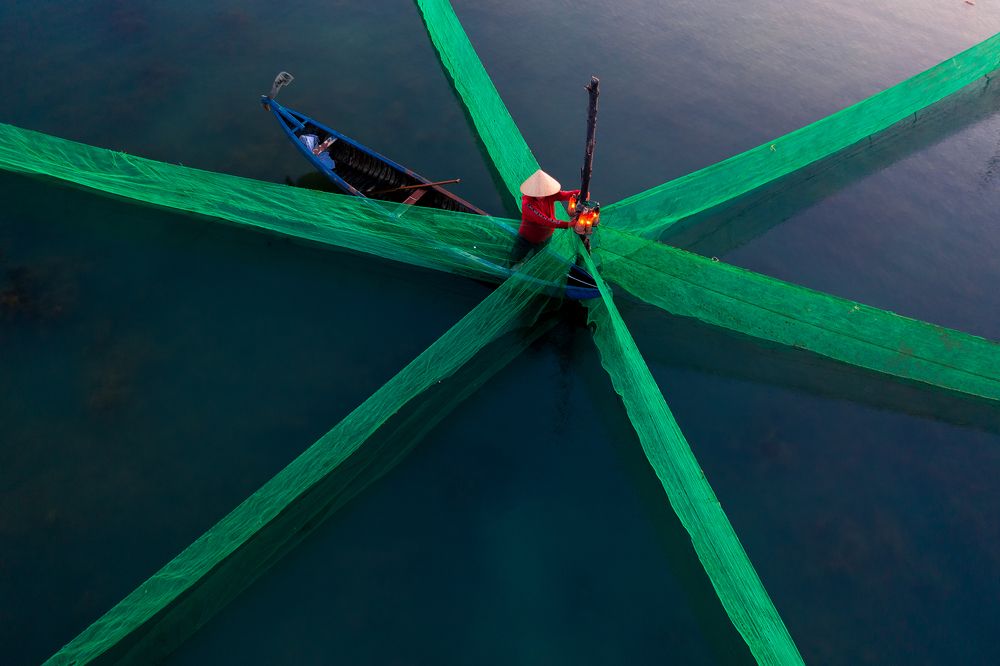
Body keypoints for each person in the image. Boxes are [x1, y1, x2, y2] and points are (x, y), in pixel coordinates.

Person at [511, 169, 580, 267]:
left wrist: (578, 193)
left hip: (545, 238)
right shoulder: (527, 204)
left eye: (543, 192)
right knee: (515, 257)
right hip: (527, 238)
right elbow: (545, 220)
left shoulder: (549, 194)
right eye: (537, 192)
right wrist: (567, 224)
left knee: (537, 260)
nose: (541, 195)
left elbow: (564, 195)